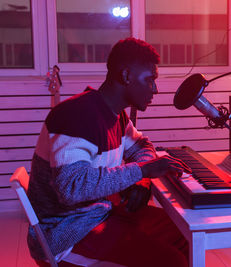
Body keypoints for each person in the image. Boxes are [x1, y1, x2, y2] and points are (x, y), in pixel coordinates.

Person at [27, 37, 191, 267]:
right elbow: (72, 188)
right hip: (67, 235)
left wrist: (141, 180)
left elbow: (143, 147)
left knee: (185, 233)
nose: (155, 89)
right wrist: (142, 171)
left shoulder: (116, 115)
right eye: (150, 80)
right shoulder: (76, 116)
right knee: (171, 261)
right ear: (126, 76)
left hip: (100, 214)